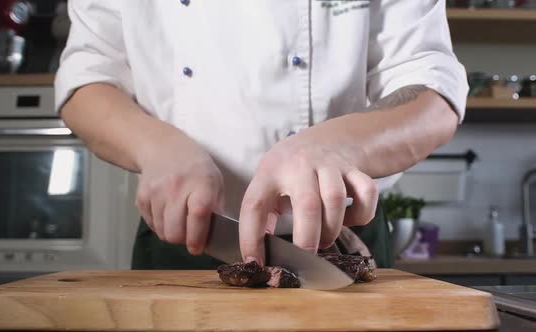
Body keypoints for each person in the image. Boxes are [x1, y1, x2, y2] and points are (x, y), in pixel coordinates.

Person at [54, 0, 468, 270]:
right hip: (189, 238)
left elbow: (433, 91)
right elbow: (88, 77)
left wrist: (338, 144)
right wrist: (155, 145)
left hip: (343, 242)